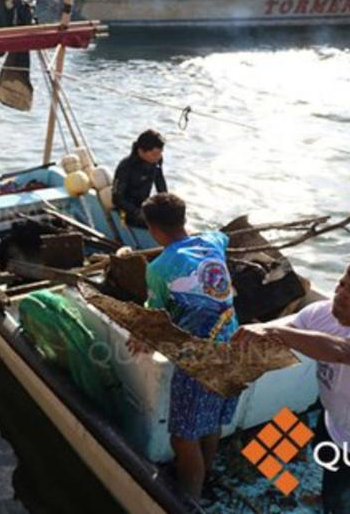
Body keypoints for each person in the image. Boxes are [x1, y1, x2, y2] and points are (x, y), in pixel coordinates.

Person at [233, 261, 350, 514]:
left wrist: (269, 328)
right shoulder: (322, 312)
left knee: (339, 500)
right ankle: (325, 494)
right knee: (325, 457)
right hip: (334, 418)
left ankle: (332, 503)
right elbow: (288, 333)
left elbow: (340, 350)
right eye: (342, 284)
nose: (341, 294)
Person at [127, 193, 239, 501]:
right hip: (235, 348)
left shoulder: (159, 268)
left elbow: (155, 316)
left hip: (199, 359)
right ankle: (207, 473)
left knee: (182, 437)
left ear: (152, 229)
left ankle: (188, 500)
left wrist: (141, 333)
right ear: (183, 219)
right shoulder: (213, 242)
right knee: (211, 419)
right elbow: (224, 234)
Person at [112, 129, 167, 228]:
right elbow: (117, 199)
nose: (158, 157)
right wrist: (137, 212)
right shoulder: (126, 167)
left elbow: (160, 182)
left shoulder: (156, 160)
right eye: (154, 154)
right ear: (141, 151)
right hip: (125, 212)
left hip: (143, 205)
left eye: (160, 153)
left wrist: (167, 204)